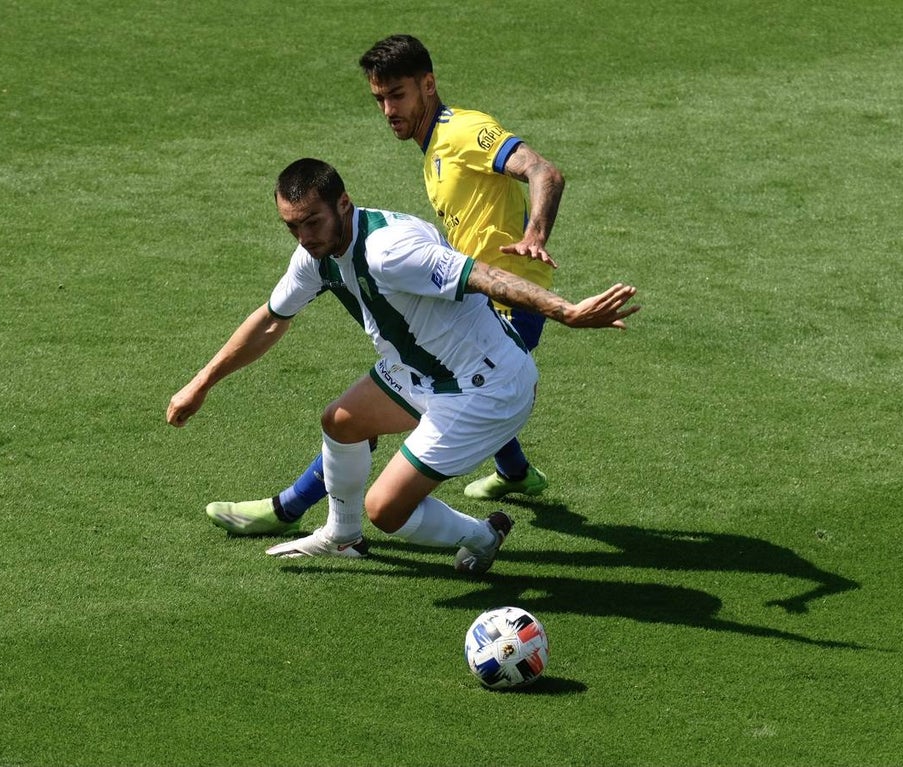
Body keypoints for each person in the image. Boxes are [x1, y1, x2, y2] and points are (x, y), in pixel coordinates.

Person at [167, 159, 638, 571]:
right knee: (341, 422)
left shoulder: (391, 251)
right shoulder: (317, 254)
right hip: (424, 372)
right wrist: (202, 383)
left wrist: (566, 312)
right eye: (293, 227)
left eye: (312, 222)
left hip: (486, 387)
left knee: (386, 511)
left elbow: (485, 276)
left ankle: (483, 536)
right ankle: (342, 537)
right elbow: (272, 320)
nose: (304, 238)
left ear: (343, 204)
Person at [210, 35, 569, 536]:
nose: (387, 110)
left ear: (428, 85)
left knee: (439, 385)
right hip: (472, 293)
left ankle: (290, 507)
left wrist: (534, 236)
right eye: (379, 98)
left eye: (397, 95)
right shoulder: (433, 148)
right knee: (446, 381)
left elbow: (543, 170)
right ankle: (515, 471)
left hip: (508, 295)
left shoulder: (463, 131)